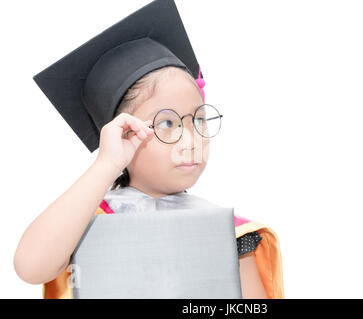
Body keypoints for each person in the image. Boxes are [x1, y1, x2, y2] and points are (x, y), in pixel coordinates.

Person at [13, 0, 284, 299]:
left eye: (199, 120)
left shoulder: (230, 235)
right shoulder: (83, 225)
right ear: (122, 133)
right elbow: (31, 267)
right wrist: (106, 164)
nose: (191, 139)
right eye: (167, 123)